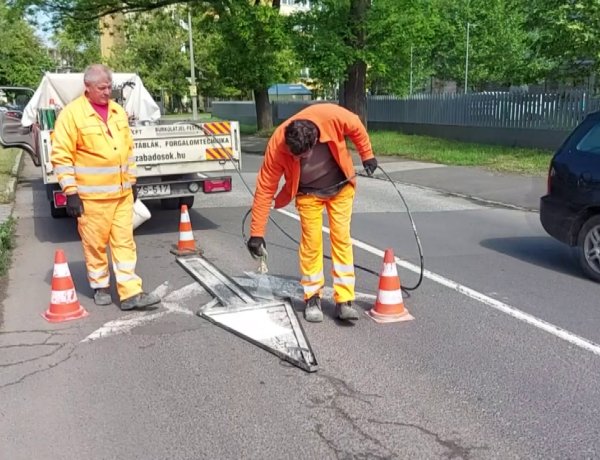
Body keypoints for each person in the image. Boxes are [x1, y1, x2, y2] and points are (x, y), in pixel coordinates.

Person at [247, 103, 377, 322]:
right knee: (311, 242)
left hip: (340, 187)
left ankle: (344, 300)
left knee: (341, 238)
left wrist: (367, 155)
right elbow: (265, 187)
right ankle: (312, 297)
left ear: (316, 139)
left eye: (302, 156)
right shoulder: (278, 145)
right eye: (294, 156)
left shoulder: (330, 116)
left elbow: (355, 125)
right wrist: (257, 233)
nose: (297, 160)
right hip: (308, 193)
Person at [51, 64, 161, 311]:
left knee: (125, 243)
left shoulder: (118, 112)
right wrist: (71, 193)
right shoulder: (72, 115)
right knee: (95, 245)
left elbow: (128, 151)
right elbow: (61, 156)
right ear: (87, 88)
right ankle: (100, 286)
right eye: (102, 87)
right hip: (91, 198)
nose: (107, 91)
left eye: (109, 87)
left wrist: (132, 181)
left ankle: (130, 293)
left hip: (121, 195)